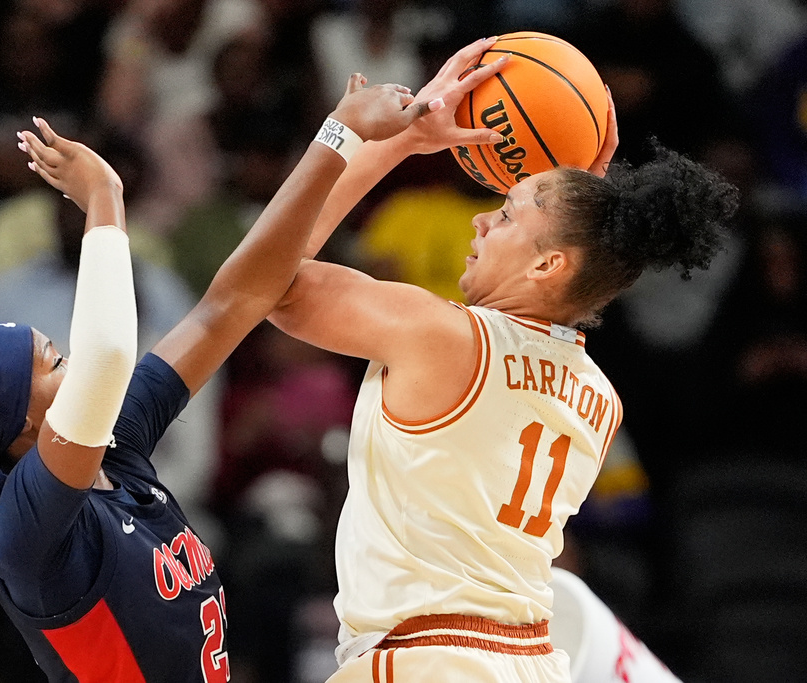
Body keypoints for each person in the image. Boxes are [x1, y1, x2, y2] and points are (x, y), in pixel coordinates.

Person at [0, 50, 510, 682]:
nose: (70, 357)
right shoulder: (25, 532)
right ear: (13, 421)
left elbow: (237, 297)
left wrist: (377, 144)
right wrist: (105, 200)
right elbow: (105, 356)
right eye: (50, 361)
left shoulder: (116, 448)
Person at [267, 38, 739, 682]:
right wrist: (579, 205)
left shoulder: (442, 338)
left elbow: (268, 280)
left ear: (548, 264)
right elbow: (572, 278)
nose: (481, 224)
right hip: (534, 662)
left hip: (426, 660)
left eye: (507, 215)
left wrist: (396, 140)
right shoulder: (600, 399)